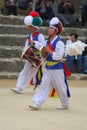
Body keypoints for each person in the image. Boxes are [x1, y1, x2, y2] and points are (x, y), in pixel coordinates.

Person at [29, 17, 71, 110]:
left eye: (51, 28)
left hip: (57, 68)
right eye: (49, 28)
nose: (49, 30)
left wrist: (50, 51)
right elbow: (43, 51)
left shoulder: (59, 42)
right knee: (44, 84)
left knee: (60, 87)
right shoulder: (47, 41)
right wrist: (43, 53)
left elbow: (59, 56)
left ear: (56, 30)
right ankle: (37, 103)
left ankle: (65, 103)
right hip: (48, 67)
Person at [11, 11, 46, 94]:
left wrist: (35, 43)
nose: (28, 27)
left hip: (37, 57)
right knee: (25, 71)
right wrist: (24, 53)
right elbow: (26, 45)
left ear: (33, 27)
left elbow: (43, 46)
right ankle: (19, 87)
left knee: (38, 73)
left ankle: (44, 87)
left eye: (29, 26)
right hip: (30, 57)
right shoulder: (30, 35)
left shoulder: (40, 35)